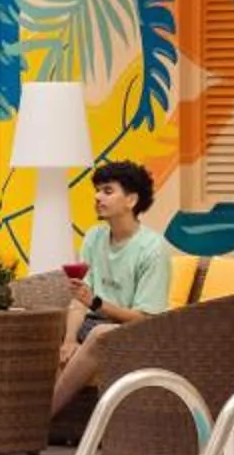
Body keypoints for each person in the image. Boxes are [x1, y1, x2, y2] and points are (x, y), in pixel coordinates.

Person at [52, 158, 168, 417]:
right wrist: (69, 340)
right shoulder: (94, 237)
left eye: (107, 191)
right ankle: (9, 417)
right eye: (97, 190)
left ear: (131, 200)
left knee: (101, 333)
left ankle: (37, 421)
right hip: (91, 322)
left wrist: (96, 303)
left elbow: (146, 318)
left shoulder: (152, 248)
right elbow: (79, 301)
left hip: (133, 331)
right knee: (43, 329)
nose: (97, 197)